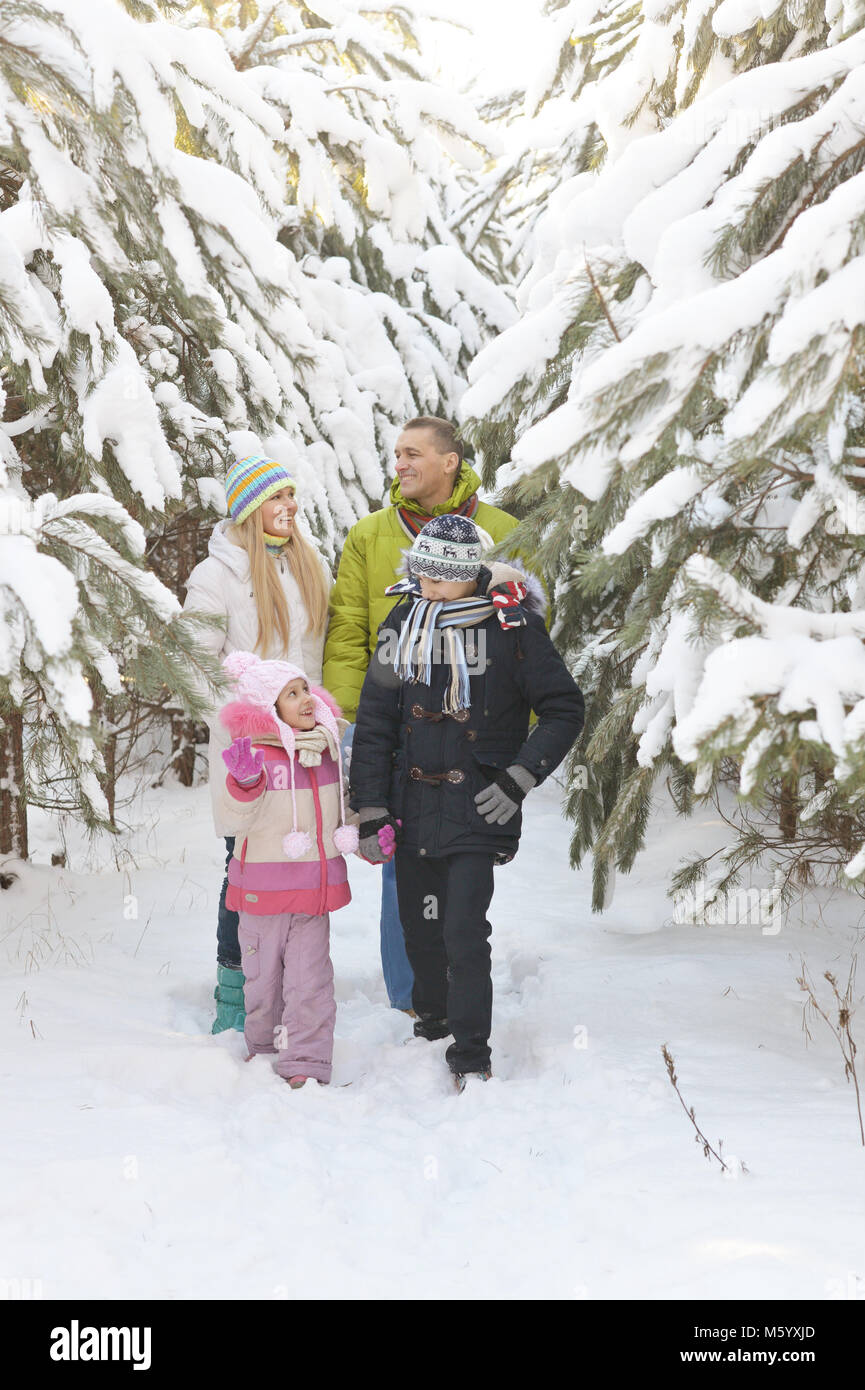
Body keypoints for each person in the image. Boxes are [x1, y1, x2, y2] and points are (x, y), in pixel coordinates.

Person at [349, 516, 585, 1090]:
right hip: (410, 802)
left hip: (479, 803)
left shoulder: (513, 626)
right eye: (419, 574)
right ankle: (433, 1026)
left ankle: (471, 1053)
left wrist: (518, 777)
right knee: (419, 926)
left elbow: (563, 708)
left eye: (436, 578)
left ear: (466, 575)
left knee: (462, 929)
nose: (423, 586)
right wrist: (370, 806)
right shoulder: (403, 620)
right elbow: (376, 719)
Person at [323, 418, 519, 1013]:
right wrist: (355, 724)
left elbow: (526, 638)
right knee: (398, 860)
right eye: (396, 455)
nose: (400, 465)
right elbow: (350, 630)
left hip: (472, 738)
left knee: (465, 865)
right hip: (398, 731)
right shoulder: (369, 534)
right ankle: (414, 996)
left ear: (451, 461)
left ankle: (460, 989)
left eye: (413, 454)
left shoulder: (504, 533)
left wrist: (516, 742)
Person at [183, 453, 330, 1032]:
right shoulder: (215, 575)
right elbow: (194, 665)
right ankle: (234, 993)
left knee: (300, 865)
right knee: (244, 868)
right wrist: (250, 725)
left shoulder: (307, 564)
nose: (289, 507)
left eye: (292, 496)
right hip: (251, 754)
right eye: (276, 498)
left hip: (306, 747)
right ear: (248, 511)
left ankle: (292, 988)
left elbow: (315, 658)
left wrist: (317, 721)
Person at [216, 651, 359, 1086]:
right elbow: (234, 819)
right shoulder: (254, 756)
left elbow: (344, 810)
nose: (305, 699)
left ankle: (307, 1062)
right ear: (268, 708)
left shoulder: (329, 751)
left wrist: (369, 834)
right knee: (262, 982)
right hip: (262, 892)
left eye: (305, 689)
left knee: (311, 982)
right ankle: (262, 1050)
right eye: (291, 695)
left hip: (313, 892)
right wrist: (244, 783)